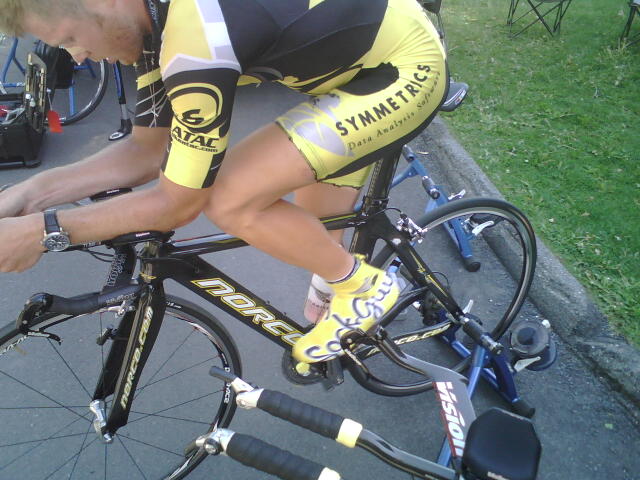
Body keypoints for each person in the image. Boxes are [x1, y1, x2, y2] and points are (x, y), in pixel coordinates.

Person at [0, 0, 447, 364]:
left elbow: (178, 203)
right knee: (315, 238)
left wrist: (44, 232)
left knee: (230, 197)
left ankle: (366, 288)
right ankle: (341, 286)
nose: (77, 57)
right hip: (348, 71)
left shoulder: (193, 44)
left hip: (400, 69)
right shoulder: (153, 20)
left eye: (70, 39)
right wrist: (28, 195)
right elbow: (145, 151)